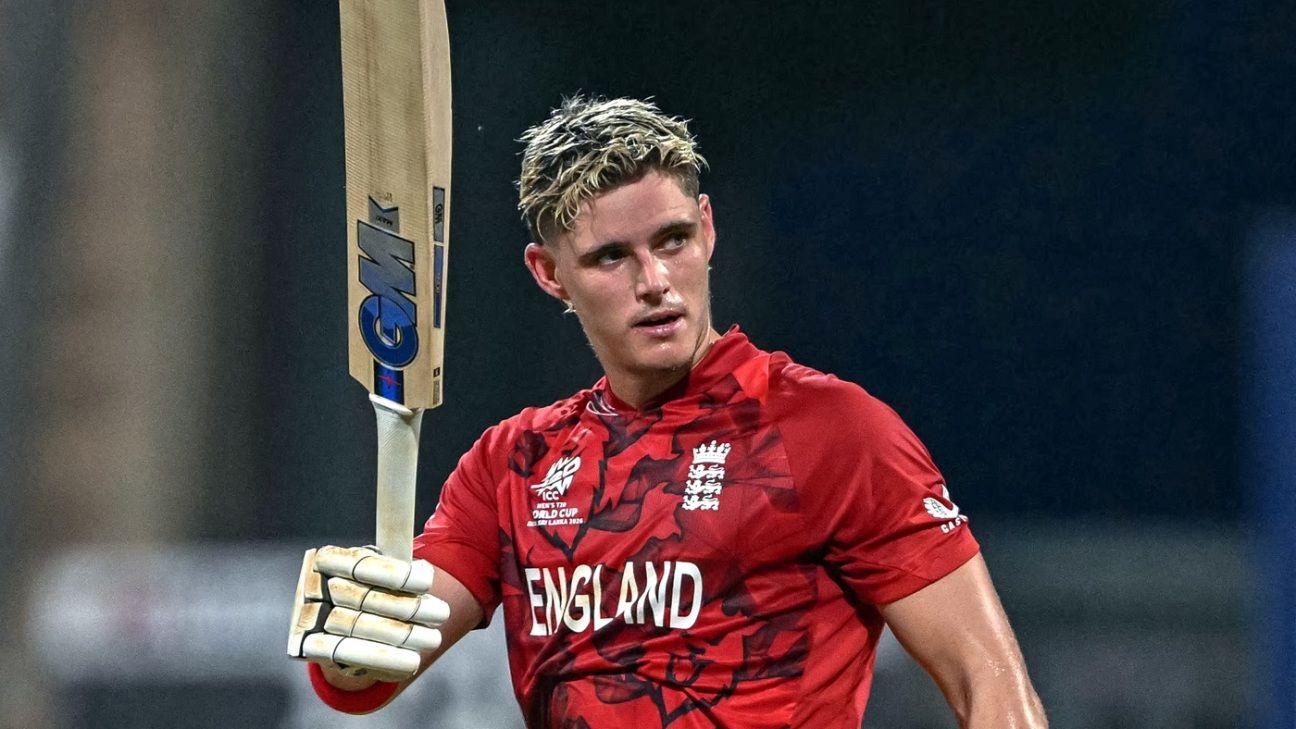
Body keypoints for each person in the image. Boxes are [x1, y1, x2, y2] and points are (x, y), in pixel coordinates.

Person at [291, 96, 1048, 728]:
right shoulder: (512, 463)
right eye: (611, 256)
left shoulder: (834, 432)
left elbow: (987, 678)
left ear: (708, 228)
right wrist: (353, 644)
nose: (655, 280)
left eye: (674, 240)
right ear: (549, 274)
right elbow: (373, 672)